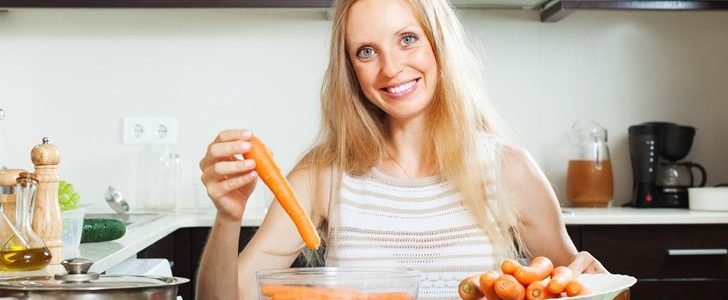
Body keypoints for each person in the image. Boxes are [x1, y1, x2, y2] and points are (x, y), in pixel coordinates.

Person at [196, 0, 607, 299]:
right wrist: (228, 217)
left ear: (438, 44)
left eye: (407, 39)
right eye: (367, 51)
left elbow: (571, 285)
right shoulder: (325, 173)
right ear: (351, 71)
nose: (390, 68)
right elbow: (225, 298)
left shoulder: (508, 169)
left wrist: (592, 283)